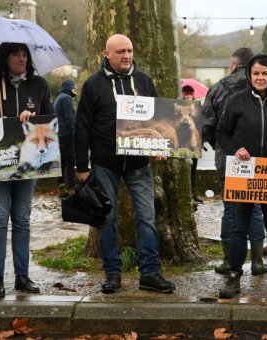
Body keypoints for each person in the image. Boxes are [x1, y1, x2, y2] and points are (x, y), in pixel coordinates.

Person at [74, 34, 175, 294]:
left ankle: (150, 273)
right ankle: (112, 274)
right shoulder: (94, 85)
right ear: (106, 54)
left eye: (129, 50)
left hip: (139, 163)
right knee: (107, 219)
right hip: (104, 162)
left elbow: (157, 121)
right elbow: (82, 128)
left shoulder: (144, 81)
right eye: (120, 51)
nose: (127, 55)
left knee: (147, 217)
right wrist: (81, 167)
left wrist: (160, 147)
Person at [0, 42, 52, 297]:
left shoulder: (40, 86)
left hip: (27, 166)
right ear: (4, 58)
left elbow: (50, 124)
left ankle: (22, 277)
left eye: (25, 54)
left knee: (23, 219)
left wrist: (33, 120)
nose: (22, 58)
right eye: (16, 54)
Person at [216, 53, 267, 300]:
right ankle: (233, 278)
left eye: (264, 73)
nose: (260, 78)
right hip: (244, 173)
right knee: (240, 227)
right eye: (256, 73)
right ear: (249, 75)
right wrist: (234, 149)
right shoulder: (236, 101)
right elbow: (221, 132)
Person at [201, 47, 267, 275]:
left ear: (233, 65)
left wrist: (219, 145)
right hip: (256, 159)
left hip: (228, 159)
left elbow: (206, 125)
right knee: (256, 208)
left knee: (230, 210)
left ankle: (229, 261)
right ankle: (258, 262)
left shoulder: (219, 87)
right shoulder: (262, 87)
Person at [54, 79, 78, 198]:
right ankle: (72, 187)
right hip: (67, 134)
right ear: (69, 87)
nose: (75, 90)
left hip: (59, 134)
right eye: (74, 88)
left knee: (62, 161)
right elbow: (70, 118)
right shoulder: (66, 98)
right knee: (70, 160)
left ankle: (61, 186)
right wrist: (75, 131)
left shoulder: (59, 98)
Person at [182, 85, 203, 204]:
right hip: (182, 143)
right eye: (186, 93)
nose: (188, 95)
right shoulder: (179, 106)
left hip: (195, 143)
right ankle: (188, 194)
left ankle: (193, 194)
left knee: (193, 171)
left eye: (190, 92)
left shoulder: (198, 107)